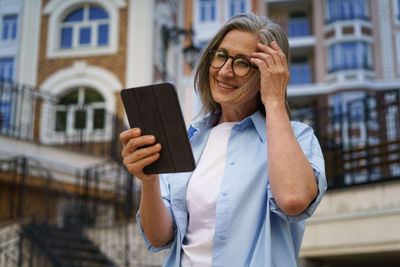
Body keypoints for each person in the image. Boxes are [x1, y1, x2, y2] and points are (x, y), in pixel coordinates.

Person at [120, 13, 326, 267]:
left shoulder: (298, 138)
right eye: (221, 56)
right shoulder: (190, 141)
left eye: (242, 63)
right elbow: (159, 237)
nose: (225, 71)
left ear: (268, 73)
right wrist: (149, 179)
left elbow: (293, 200)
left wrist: (273, 99)